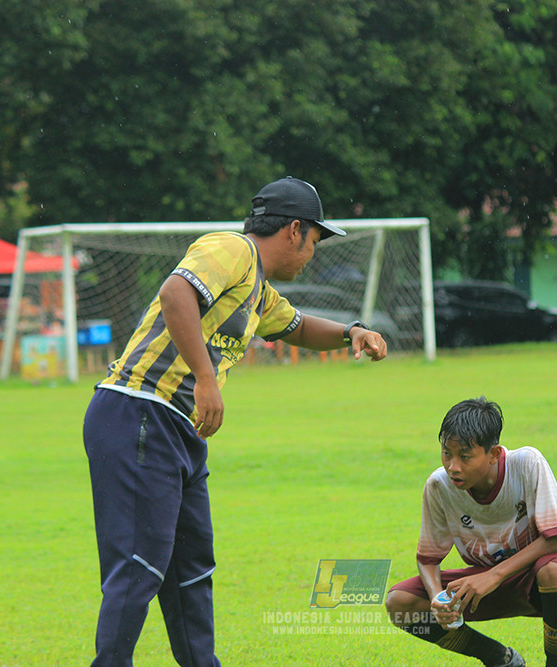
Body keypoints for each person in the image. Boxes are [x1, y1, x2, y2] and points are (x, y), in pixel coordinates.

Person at [82, 176, 387, 667]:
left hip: (175, 428)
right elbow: (175, 293)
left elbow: (299, 326)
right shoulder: (232, 249)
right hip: (138, 411)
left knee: (190, 570)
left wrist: (353, 331)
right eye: (314, 239)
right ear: (293, 230)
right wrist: (206, 378)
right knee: (140, 567)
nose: (312, 252)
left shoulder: (257, 290)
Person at [385, 397, 557, 667]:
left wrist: (493, 576)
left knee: (553, 571)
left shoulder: (526, 464)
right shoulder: (438, 486)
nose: (453, 466)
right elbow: (428, 559)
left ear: (494, 454)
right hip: (486, 584)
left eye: (465, 456)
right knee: (399, 603)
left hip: (542, 580)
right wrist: (436, 597)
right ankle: (500, 659)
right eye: (446, 454)